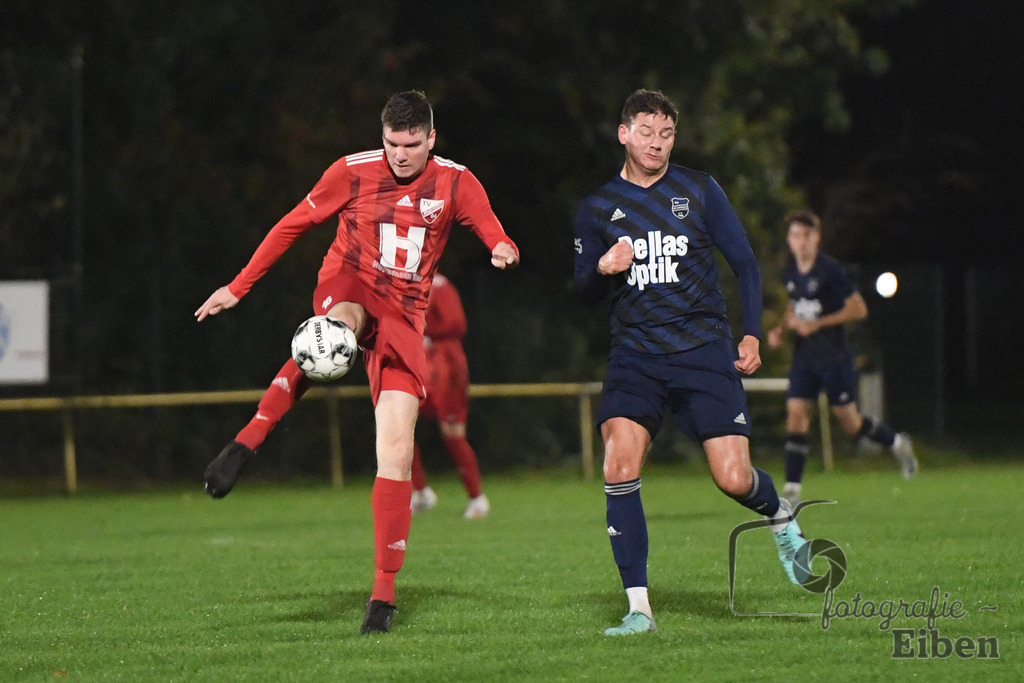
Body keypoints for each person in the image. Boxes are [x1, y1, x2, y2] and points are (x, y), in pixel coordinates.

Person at [194, 90, 519, 634]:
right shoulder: (352, 172)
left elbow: (490, 226)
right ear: (382, 137)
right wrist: (238, 286)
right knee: (338, 327)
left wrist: (501, 245)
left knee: (394, 453)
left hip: (405, 319)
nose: (400, 155)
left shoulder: (457, 182)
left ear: (431, 139)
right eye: (392, 143)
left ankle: (383, 597)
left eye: (412, 145)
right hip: (349, 285)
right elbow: (292, 224)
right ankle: (249, 438)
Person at [573, 89, 809, 637]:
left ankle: (780, 517)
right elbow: (581, 291)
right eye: (647, 133)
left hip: (702, 352)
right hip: (635, 357)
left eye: (667, 134)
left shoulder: (699, 192)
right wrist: (603, 268)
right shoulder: (596, 207)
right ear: (624, 133)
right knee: (618, 466)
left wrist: (750, 334)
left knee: (731, 479)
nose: (657, 144)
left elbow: (746, 266)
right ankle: (639, 610)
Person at [766, 210, 917, 504]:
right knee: (796, 415)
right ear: (789, 239)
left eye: (807, 236)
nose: (802, 242)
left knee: (849, 422)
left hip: (834, 357)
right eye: (796, 236)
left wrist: (818, 324)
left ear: (817, 238)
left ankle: (898, 443)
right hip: (805, 358)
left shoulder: (830, 270)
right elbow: (795, 306)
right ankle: (792, 490)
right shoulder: (790, 271)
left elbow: (859, 309)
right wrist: (781, 329)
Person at [409, 272, 490, 519]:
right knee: (396, 426)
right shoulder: (401, 281)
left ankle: (477, 498)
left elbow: (452, 323)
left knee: (452, 432)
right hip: (416, 360)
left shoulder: (436, 285)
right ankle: (420, 492)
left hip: (444, 364)